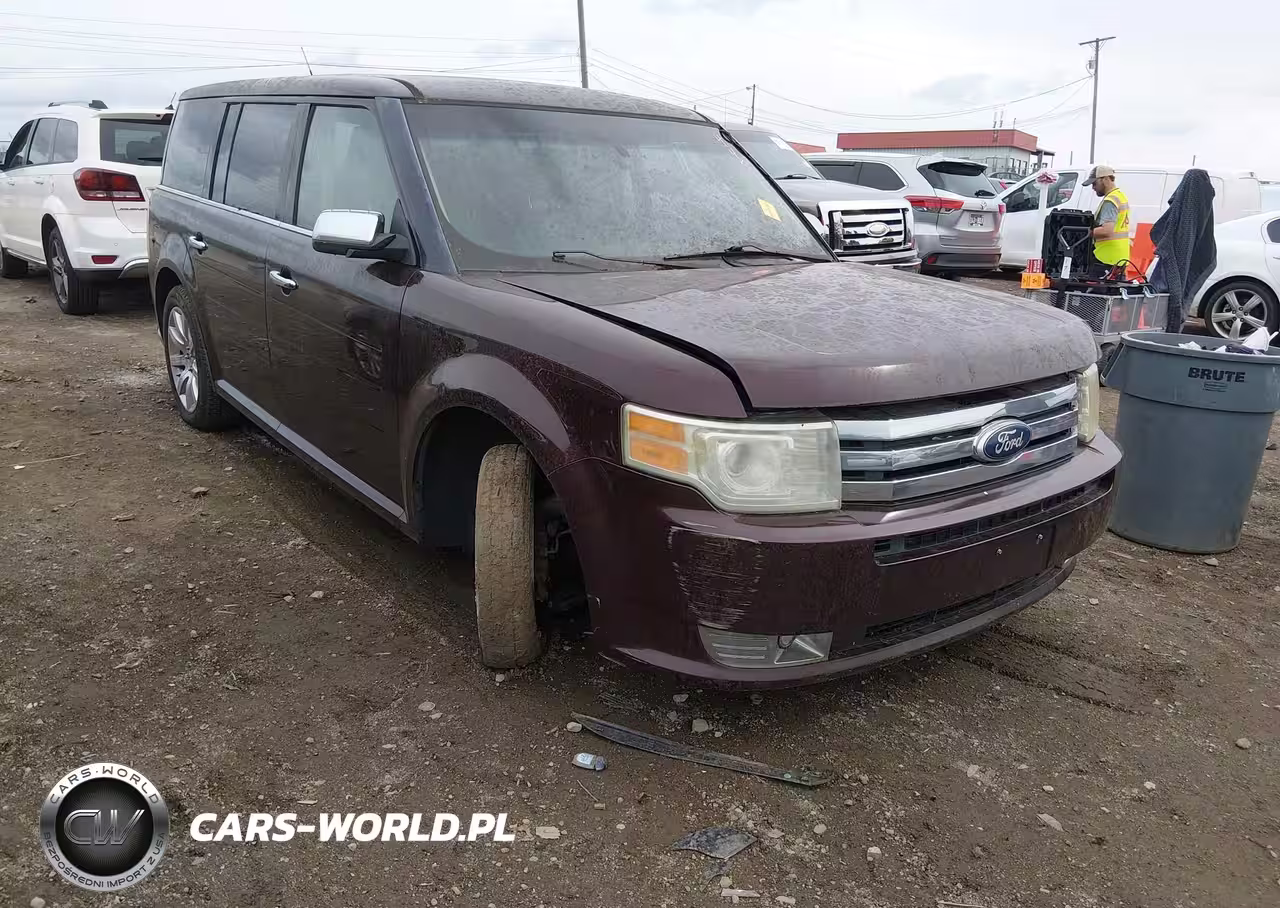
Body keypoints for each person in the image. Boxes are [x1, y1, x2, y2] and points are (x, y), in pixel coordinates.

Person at [1084, 165, 1131, 276]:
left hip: (1105, 258)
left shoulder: (1110, 201)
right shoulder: (1120, 196)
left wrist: (1084, 233)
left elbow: (1107, 231)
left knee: (1096, 292)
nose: (1093, 187)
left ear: (1105, 179)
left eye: (1094, 183)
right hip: (1119, 257)